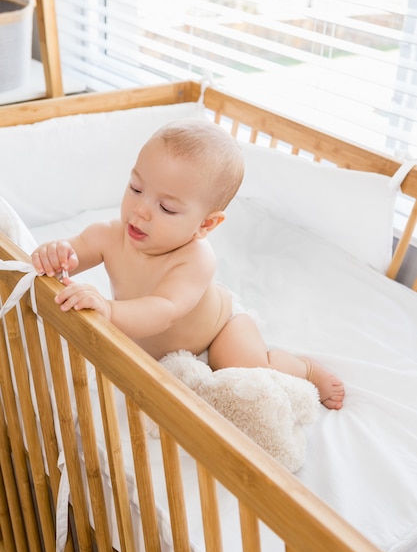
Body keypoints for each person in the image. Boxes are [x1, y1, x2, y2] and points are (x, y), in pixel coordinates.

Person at [32, 118, 344, 410]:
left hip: (218, 330)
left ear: (205, 225)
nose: (140, 211)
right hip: (159, 339)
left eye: (166, 208)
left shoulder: (196, 259)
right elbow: (73, 253)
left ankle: (304, 369)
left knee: (245, 368)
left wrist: (109, 310)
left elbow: (164, 310)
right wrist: (55, 253)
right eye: (136, 188)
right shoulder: (108, 235)